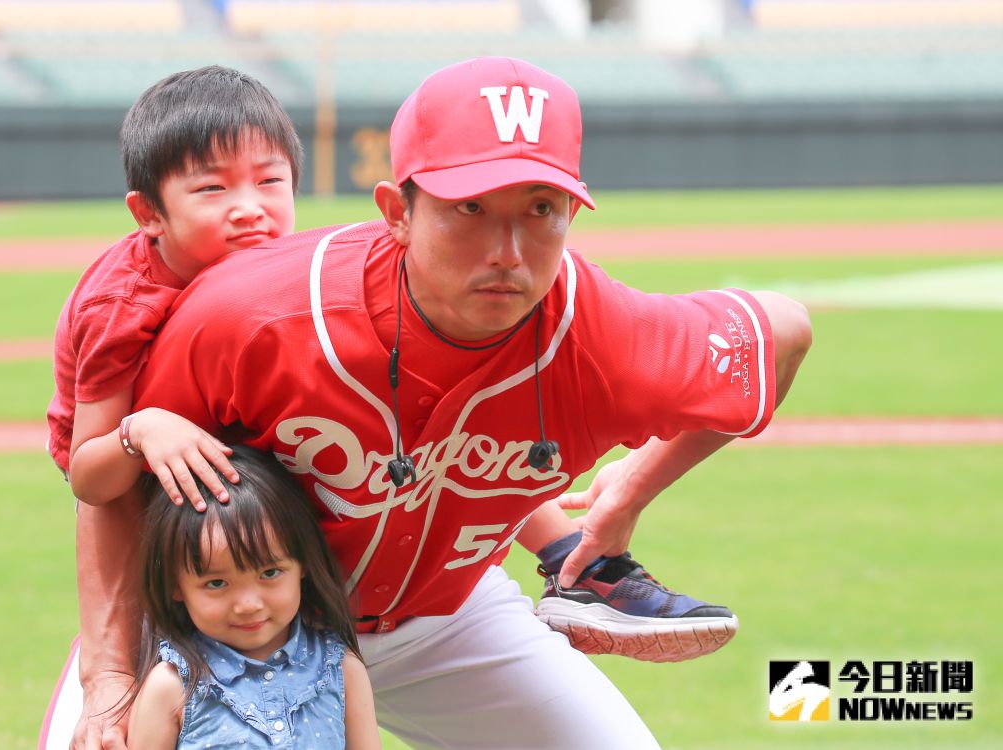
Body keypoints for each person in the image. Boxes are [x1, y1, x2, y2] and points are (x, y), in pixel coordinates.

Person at [57, 56, 813, 748]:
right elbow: (121, 498)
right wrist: (111, 679)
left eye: (541, 207)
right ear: (398, 209)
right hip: (229, 620)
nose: (507, 251)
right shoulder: (250, 313)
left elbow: (779, 333)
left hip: (437, 615)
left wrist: (627, 493)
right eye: (471, 208)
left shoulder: (601, 329)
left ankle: (580, 568)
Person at [44, 64, 301, 513]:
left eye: (269, 181)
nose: (249, 208)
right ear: (149, 214)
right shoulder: (121, 306)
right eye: (212, 187)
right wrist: (139, 432)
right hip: (130, 468)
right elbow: (88, 477)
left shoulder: (277, 257)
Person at [126, 446, 380, 749]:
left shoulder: (341, 671)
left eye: (270, 574)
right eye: (217, 583)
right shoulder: (171, 688)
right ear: (175, 585)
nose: (248, 604)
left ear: (303, 565)